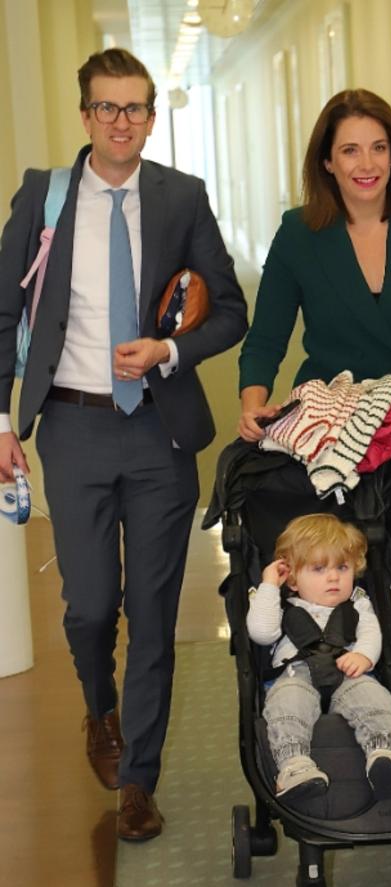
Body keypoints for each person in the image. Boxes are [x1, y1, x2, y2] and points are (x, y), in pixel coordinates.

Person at [0, 48, 247, 841]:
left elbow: (231, 310)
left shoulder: (181, 197)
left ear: (151, 115)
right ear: (84, 116)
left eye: (137, 108)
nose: (122, 122)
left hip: (157, 430)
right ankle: (98, 711)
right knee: (90, 605)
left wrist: (168, 351)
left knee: (151, 607)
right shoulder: (45, 196)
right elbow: (4, 314)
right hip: (70, 427)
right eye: (107, 108)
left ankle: (139, 778)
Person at [238, 88, 391, 442]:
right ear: (328, 162)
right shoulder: (298, 233)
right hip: (323, 429)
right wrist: (253, 405)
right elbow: (264, 340)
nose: (367, 164)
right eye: (350, 151)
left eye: (379, 148)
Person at [246, 513, 391, 804]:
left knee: (375, 698)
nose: (333, 577)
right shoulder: (282, 605)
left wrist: (364, 656)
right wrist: (269, 585)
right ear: (291, 578)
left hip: (349, 670)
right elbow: (261, 633)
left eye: (342, 567)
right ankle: (294, 766)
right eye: (319, 569)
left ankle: (382, 753)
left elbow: (371, 631)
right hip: (296, 673)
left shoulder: (358, 602)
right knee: (286, 704)